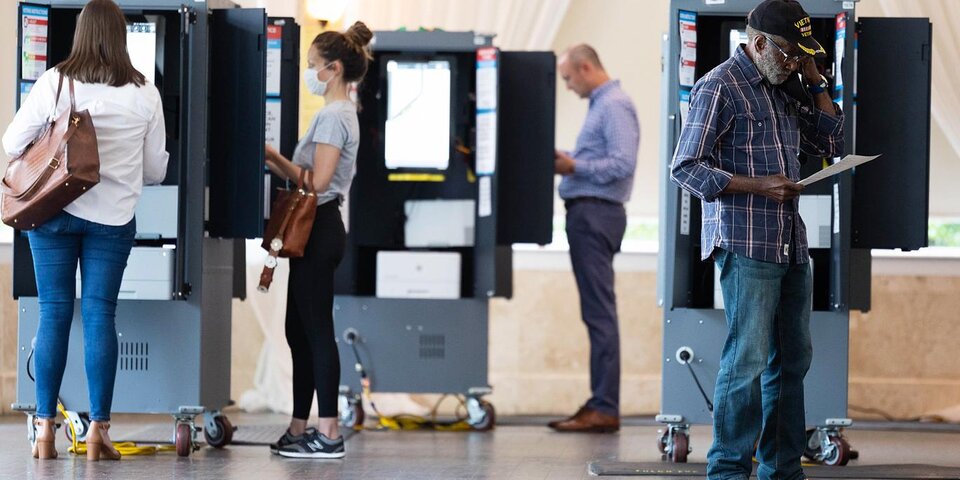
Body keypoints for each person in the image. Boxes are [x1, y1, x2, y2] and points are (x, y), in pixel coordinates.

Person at [670, 1, 844, 478]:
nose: (793, 63)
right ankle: (727, 470)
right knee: (745, 360)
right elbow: (685, 168)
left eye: (801, 56)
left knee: (791, 362)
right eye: (789, 53)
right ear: (760, 43)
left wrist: (816, 79)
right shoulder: (719, 86)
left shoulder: (786, 88)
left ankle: (783, 469)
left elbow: (830, 144)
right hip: (747, 243)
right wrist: (759, 184)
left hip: (790, 243)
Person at [2, 0, 169, 461]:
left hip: (52, 213)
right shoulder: (144, 94)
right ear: (120, 37)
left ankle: (44, 432)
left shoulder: (55, 82)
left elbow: (11, 144)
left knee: (54, 313)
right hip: (112, 220)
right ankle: (98, 430)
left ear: (79, 33)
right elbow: (155, 170)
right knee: (100, 316)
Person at [262, 21, 372, 459]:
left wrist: (275, 158)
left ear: (334, 68)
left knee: (316, 330)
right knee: (298, 329)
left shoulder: (333, 115)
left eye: (312, 66)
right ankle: (298, 426)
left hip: (320, 225)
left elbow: (318, 182)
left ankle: (328, 432)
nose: (309, 73)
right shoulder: (342, 112)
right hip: (318, 229)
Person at [548, 44, 639, 433]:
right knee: (596, 313)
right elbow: (602, 157)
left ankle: (605, 407)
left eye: (568, 78)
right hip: (591, 215)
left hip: (595, 216)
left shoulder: (614, 104)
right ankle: (600, 402)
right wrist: (569, 157)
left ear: (585, 68)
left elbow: (622, 164)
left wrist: (572, 165)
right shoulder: (603, 105)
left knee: (599, 313)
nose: (567, 86)